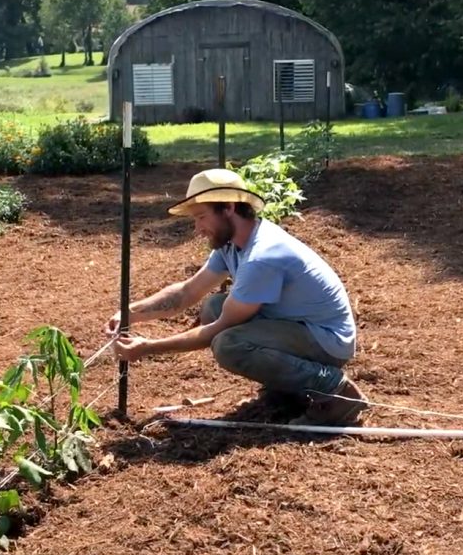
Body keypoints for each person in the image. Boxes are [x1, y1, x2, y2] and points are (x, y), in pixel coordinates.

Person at [107, 168, 369, 426]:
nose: (197, 228)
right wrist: (130, 311)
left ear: (229, 208)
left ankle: (337, 391)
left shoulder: (262, 256)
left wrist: (148, 348)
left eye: (201, 217)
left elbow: (218, 331)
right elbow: (188, 291)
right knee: (214, 306)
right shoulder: (233, 243)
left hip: (327, 341)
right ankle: (287, 389)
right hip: (298, 326)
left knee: (229, 344)